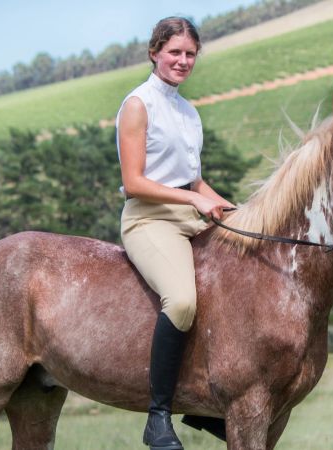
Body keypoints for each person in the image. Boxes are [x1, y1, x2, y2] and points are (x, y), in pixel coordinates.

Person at [116, 16, 235, 450]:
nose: (183, 61)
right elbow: (134, 181)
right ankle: (159, 416)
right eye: (175, 53)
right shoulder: (137, 104)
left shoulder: (189, 111)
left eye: (190, 54)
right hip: (148, 218)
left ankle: (206, 408)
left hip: (186, 213)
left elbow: (195, 181)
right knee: (182, 301)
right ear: (154, 52)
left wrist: (232, 209)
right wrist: (195, 202)